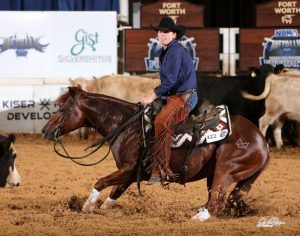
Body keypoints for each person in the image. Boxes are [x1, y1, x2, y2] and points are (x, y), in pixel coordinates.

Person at [141, 16, 198, 184]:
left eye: (166, 32)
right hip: (174, 95)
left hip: (184, 97)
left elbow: (170, 80)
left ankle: (160, 169)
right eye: (160, 32)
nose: (163, 35)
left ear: (174, 35)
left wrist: (152, 95)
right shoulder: (166, 51)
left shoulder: (174, 51)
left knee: (161, 122)